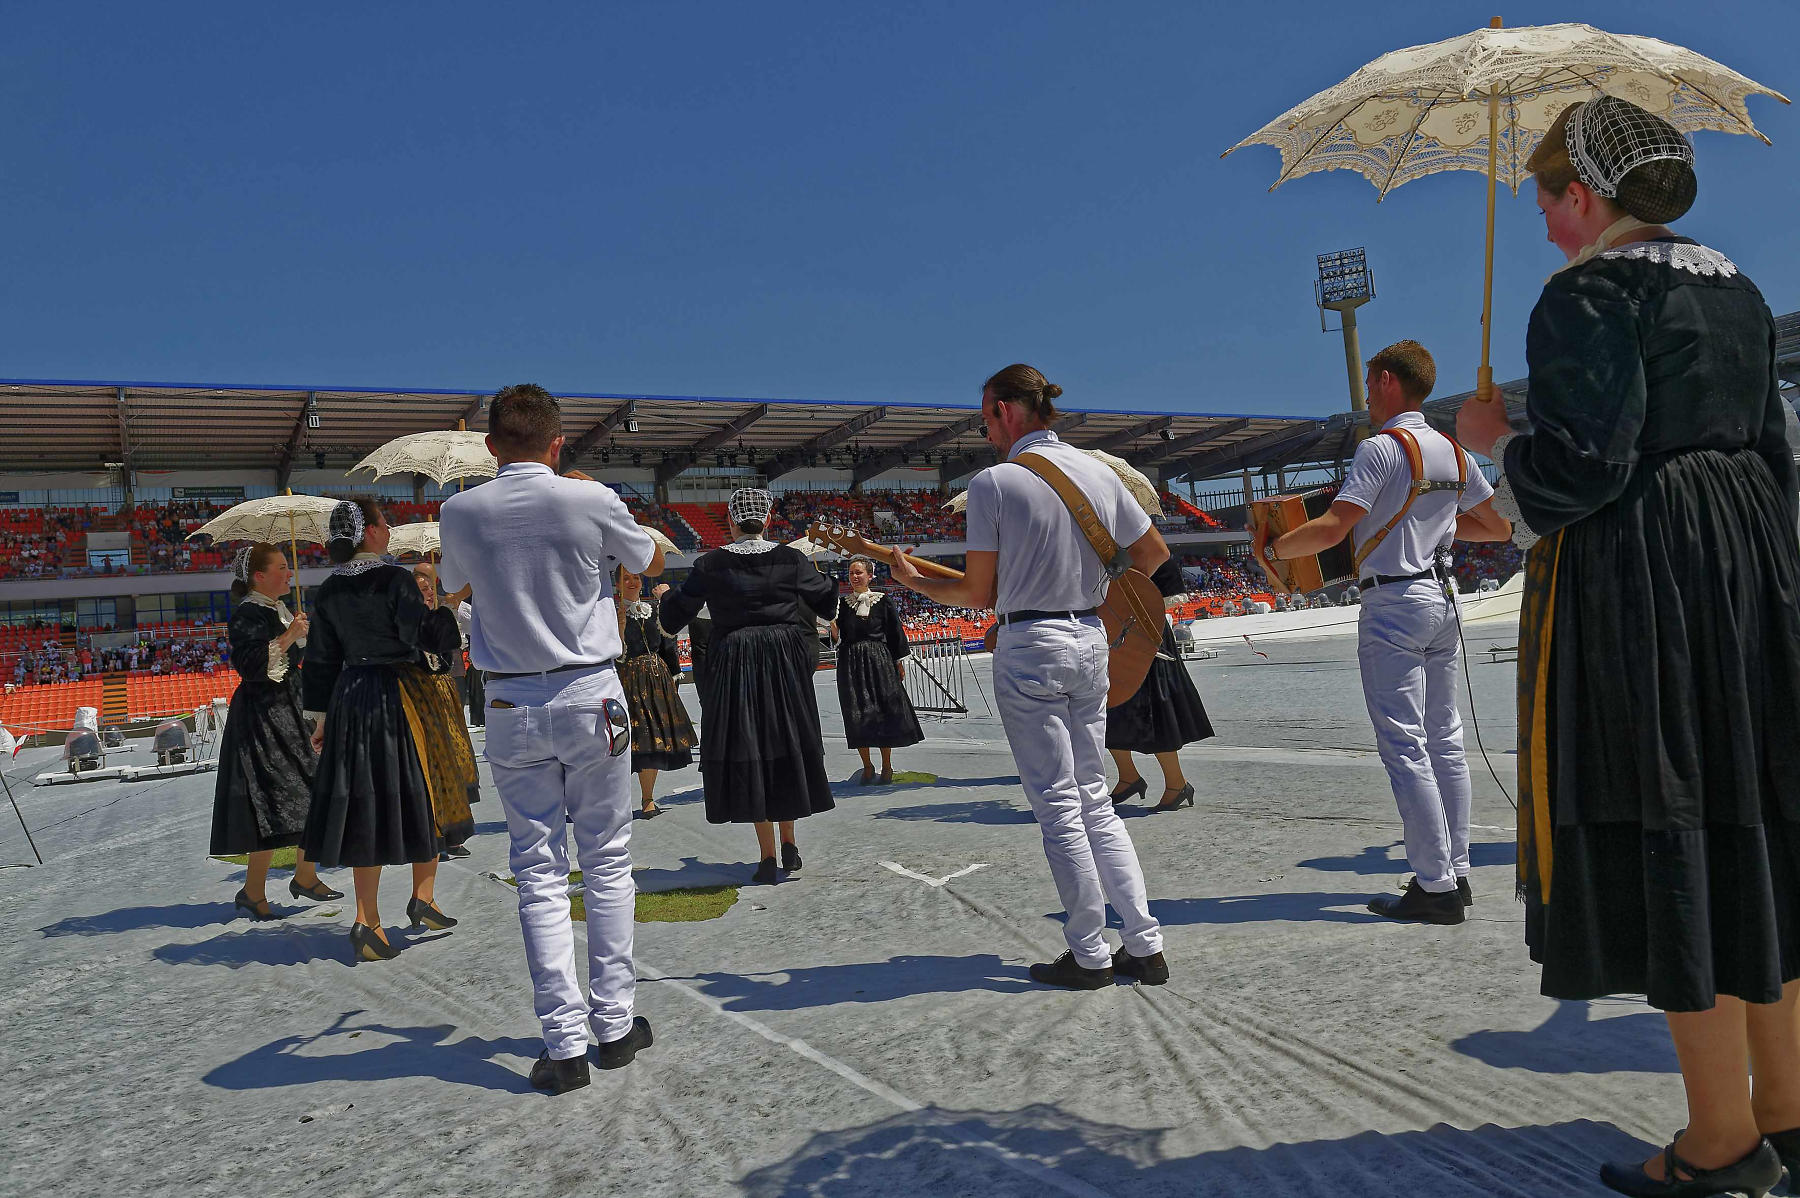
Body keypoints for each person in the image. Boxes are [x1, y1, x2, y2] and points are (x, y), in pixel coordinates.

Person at [1456, 96, 1800, 1198]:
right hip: (1751, 567)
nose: (1546, 222)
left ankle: (1718, 1140)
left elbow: (1590, 464)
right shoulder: (1737, 289)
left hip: (1648, 573)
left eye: (1547, 199)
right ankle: (1789, 1111)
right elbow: (1775, 452)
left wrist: (1494, 442)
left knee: (1674, 818)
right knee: (1754, 823)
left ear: (1584, 194)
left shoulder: (1587, 291)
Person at [890, 364, 1171, 991]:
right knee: (1096, 798)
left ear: (1009, 411)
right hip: (1091, 639)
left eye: (987, 415)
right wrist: (1099, 597)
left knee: (1057, 806)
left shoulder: (995, 483)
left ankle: (1089, 951)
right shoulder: (1102, 471)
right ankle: (1145, 943)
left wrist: (914, 581)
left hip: (1031, 644)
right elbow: (1153, 557)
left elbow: (975, 591)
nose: (986, 429)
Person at [439, 383, 663, 1094]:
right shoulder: (587, 498)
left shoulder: (459, 510)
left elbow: (451, 586)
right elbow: (653, 562)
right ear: (558, 442)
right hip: (590, 689)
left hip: (509, 697)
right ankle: (616, 1024)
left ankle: (563, 1043)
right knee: (607, 861)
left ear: (491, 445)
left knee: (537, 868)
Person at [1259, 340, 1510, 926]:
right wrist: (1440, 529)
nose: (1368, 395)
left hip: (1394, 600)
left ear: (1387, 380)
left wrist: (1275, 547)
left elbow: (1332, 529)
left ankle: (1435, 884)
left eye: (1372, 384)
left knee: (1406, 746)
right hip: (1442, 596)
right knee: (1446, 741)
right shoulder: (1451, 450)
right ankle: (1458, 868)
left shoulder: (1380, 449)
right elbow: (1495, 527)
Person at [300, 498, 454, 964]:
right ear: (368, 531)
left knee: (365, 806)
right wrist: (446, 608)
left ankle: (367, 919)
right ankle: (419, 897)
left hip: (350, 699)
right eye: (384, 524)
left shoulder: (327, 591)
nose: (389, 530)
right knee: (420, 795)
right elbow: (424, 638)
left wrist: (323, 719)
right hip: (397, 697)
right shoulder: (395, 580)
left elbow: (320, 662)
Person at [660, 488, 839, 886]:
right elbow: (827, 601)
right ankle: (790, 839)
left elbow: (674, 617)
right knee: (785, 743)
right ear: (769, 520)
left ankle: (767, 856)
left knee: (750, 749)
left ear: (730, 522)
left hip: (736, 660)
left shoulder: (711, 564)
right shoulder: (790, 558)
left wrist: (666, 596)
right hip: (784, 662)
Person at [209, 544, 341, 918]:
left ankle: (303, 874)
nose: (289, 573)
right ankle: (256, 890)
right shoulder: (247, 615)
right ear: (259, 576)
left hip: (289, 709)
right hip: (263, 718)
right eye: (282, 567)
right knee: (270, 800)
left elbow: (297, 660)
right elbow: (250, 666)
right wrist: (289, 636)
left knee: (311, 789)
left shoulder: (277, 611)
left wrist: (300, 635)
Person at [1106, 557, 1214, 812]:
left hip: (1143, 622)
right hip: (1115, 620)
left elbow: (1157, 554)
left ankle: (1176, 783)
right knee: (1110, 706)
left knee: (1155, 707)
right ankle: (1128, 776)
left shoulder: (1127, 522)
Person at [830, 556, 922, 784]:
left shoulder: (883, 601)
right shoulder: (842, 605)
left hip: (878, 660)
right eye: (851, 573)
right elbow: (839, 638)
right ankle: (867, 766)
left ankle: (887, 765)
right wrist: (832, 623)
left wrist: (898, 662)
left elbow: (895, 633)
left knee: (882, 712)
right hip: (850, 662)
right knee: (856, 712)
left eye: (859, 572)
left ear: (870, 575)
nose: (854, 576)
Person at [412, 563, 481, 859]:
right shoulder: (405, 623)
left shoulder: (443, 616)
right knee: (431, 766)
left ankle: (455, 833)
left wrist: (448, 609)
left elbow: (466, 628)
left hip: (446, 692)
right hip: (420, 698)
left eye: (429, 588)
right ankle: (434, 834)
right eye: (421, 590)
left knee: (456, 760)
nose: (428, 594)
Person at [615, 567, 696, 819]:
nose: (632, 582)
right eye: (625, 578)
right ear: (617, 584)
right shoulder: (610, 614)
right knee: (625, 742)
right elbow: (612, 654)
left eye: (635, 577)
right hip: (625, 681)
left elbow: (668, 645)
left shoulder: (654, 611)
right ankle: (613, 801)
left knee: (651, 741)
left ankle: (647, 798)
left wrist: (673, 676)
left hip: (656, 680)